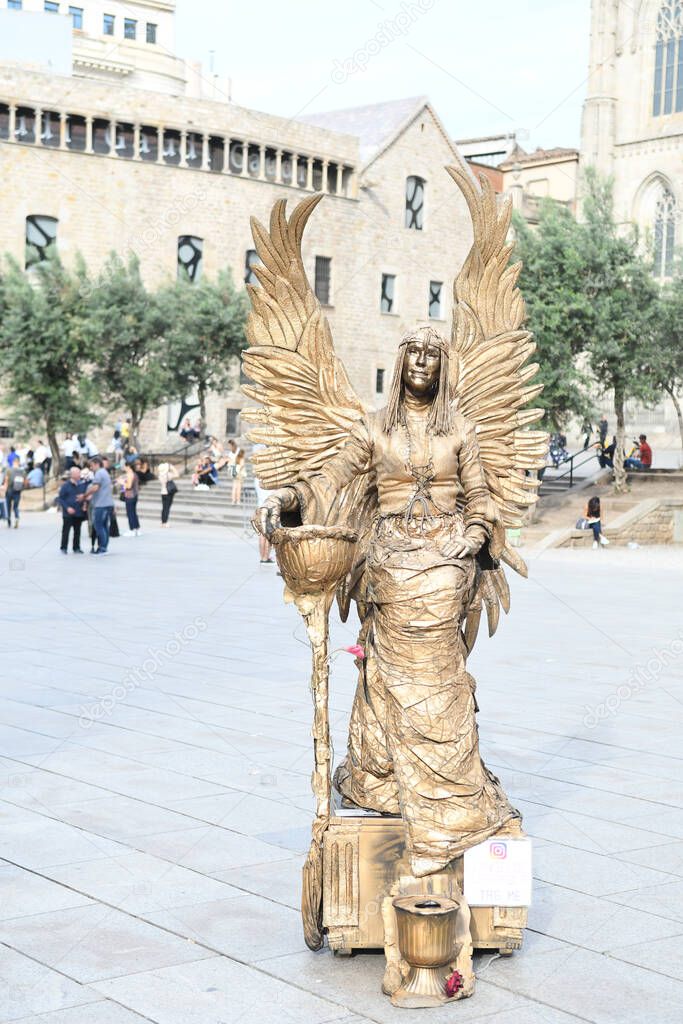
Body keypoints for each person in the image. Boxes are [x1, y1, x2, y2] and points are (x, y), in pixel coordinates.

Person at [256, 326, 519, 871]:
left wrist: (471, 537)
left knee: (437, 676)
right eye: (414, 353)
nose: (422, 362)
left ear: (442, 367)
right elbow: (330, 479)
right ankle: (386, 784)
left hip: (447, 560)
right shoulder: (373, 429)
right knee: (389, 676)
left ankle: (452, 806)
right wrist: (286, 495)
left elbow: (481, 495)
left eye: (432, 354)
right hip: (391, 558)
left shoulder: (462, 430)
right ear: (400, 363)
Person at [81, 456, 114, 555]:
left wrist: (85, 495)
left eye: (92, 466)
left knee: (98, 525)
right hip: (107, 503)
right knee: (104, 526)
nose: (91, 468)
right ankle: (104, 547)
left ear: (96, 464)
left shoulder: (99, 473)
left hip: (101, 504)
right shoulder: (105, 473)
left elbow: (95, 487)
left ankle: (102, 548)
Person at [57, 467, 87, 554]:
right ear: (72, 474)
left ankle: (76, 547)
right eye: (78, 473)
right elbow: (60, 499)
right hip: (68, 514)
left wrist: (84, 503)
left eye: (79, 473)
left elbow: (84, 496)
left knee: (77, 531)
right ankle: (63, 547)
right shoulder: (65, 486)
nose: (79, 475)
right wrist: (67, 508)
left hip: (78, 512)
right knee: (66, 531)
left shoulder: (81, 485)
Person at [120, 464, 141, 536]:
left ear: (128, 467)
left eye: (125, 466)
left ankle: (132, 529)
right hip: (134, 495)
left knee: (130, 513)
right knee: (133, 513)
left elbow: (128, 486)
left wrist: (122, 483)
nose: (124, 468)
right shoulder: (134, 474)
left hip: (130, 495)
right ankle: (137, 528)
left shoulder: (130, 474)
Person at [4, 461, 26, 527]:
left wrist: (5, 488)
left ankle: (8, 519)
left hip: (9, 490)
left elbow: (6, 480)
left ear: (13, 463)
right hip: (18, 491)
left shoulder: (9, 470)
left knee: (8, 506)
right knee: (15, 507)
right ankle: (16, 517)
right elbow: (25, 481)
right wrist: (22, 488)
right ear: (18, 463)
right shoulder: (22, 471)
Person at [158, 461, 179, 527]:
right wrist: (172, 467)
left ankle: (162, 521)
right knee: (167, 508)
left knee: (164, 508)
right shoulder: (168, 475)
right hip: (168, 493)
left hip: (163, 492)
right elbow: (177, 474)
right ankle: (165, 522)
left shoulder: (160, 475)